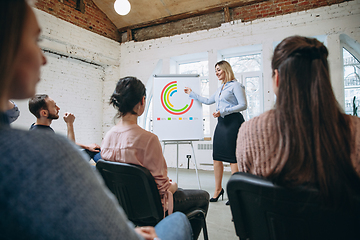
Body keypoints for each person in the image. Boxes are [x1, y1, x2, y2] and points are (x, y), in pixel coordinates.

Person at [0, 1, 192, 239]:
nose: (43, 59)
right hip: (150, 214)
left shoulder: (108, 135)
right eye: (34, 40)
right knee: (182, 219)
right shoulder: (47, 152)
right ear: (141, 103)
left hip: (126, 212)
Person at [236, 35, 360, 209]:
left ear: (277, 78)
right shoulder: (356, 131)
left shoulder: (249, 132)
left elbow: (248, 203)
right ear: (324, 77)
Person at [101, 76, 210, 239]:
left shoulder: (108, 137)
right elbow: (163, 190)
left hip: (123, 207)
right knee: (203, 196)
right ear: (142, 102)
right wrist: (174, 185)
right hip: (152, 209)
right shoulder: (148, 139)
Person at [184, 60, 247, 205]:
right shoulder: (220, 89)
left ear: (226, 70)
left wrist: (223, 111)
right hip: (222, 124)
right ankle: (218, 190)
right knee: (216, 157)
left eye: (219, 70)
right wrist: (191, 93)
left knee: (233, 158)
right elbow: (206, 100)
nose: (217, 73)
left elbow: (243, 105)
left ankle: (235, 193)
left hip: (233, 123)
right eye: (215, 71)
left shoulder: (236, 85)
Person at [28, 94, 101, 162]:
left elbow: (65, 144)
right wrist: (70, 123)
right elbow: (71, 148)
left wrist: (87, 147)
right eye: (54, 106)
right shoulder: (43, 134)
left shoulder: (36, 127)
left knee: (94, 150)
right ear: (44, 113)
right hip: (65, 167)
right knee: (99, 169)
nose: (58, 108)